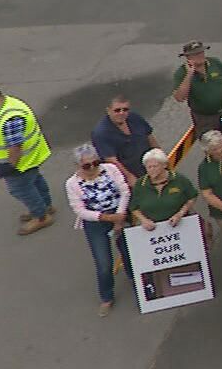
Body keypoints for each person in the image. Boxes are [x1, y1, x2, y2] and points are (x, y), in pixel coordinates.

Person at [65, 144, 131, 316]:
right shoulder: (72, 184)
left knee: (129, 252)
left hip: (119, 214)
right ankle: (106, 297)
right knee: (103, 263)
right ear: (77, 166)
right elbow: (80, 210)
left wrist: (120, 216)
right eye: (87, 166)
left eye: (96, 163)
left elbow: (124, 191)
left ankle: (138, 282)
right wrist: (107, 218)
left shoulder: (110, 169)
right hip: (96, 222)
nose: (93, 168)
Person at [172, 40, 222, 144]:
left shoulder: (215, 63)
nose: (200, 55)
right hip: (205, 118)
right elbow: (179, 98)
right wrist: (189, 74)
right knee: (213, 147)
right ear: (188, 57)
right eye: (196, 54)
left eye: (201, 52)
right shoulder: (181, 73)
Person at [128, 147, 198, 236]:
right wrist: (143, 220)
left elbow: (192, 196)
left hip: (181, 226)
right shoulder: (140, 184)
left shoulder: (178, 179)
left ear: (164, 165)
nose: (152, 169)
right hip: (154, 231)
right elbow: (134, 207)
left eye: (155, 166)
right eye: (149, 167)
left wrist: (180, 214)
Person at [90, 95, 155, 184]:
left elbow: (150, 137)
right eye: (117, 110)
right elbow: (111, 160)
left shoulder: (135, 118)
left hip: (150, 166)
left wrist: (160, 156)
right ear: (108, 110)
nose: (122, 113)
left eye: (125, 109)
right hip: (129, 175)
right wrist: (129, 177)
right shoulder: (101, 133)